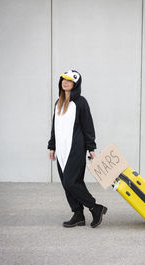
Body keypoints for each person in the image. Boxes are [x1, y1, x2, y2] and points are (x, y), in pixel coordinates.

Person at [47, 69, 107, 228]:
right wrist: (52, 146)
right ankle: (78, 214)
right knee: (67, 183)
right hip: (61, 150)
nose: (65, 82)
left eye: (69, 80)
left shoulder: (81, 102)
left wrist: (91, 147)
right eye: (63, 79)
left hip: (76, 148)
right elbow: (55, 126)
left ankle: (95, 207)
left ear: (76, 84)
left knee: (71, 181)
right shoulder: (58, 102)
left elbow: (88, 126)